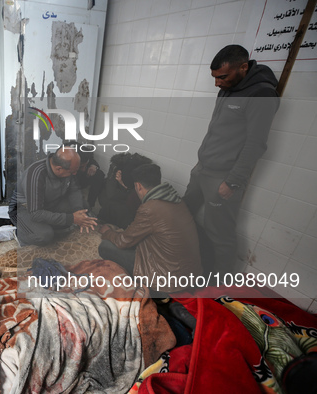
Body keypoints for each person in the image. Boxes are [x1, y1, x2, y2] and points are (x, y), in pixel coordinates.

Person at [183, 45, 280, 275]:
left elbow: (256, 144)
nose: (217, 83)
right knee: (184, 212)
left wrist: (234, 181)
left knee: (220, 234)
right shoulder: (229, 87)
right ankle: (188, 263)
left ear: (243, 67)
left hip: (223, 177)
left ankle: (219, 287)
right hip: (202, 169)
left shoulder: (261, 94)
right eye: (215, 77)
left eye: (222, 77)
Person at [98, 164, 202, 293]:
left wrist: (108, 232)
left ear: (138, 186)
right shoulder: (176, 199)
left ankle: (141, 287)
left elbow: (123, 241)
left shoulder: (149, 208)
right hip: (190, 276)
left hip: (167, 281)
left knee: (105, 246)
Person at [8, 145, 98, 246]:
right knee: (44, 235)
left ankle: (53, 225)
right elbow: (36, 213)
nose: (76, 173)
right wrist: (71, 218)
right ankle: (21, 233)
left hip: (50, 203)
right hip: (23, 209)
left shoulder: (67, 168)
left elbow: (74, 190)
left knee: (84, 207)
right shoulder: (36, 175)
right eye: (73, 172)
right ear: (59, 169)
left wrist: (78, 211)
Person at [97, 152, 152, 229]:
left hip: (127, 196)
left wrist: (123, 185)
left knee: (123, 210)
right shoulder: (115, 168)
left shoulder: (139, 174)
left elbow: (134, 195)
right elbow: (111, 194)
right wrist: (122, 185)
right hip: (114, 194)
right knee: (110, 204)